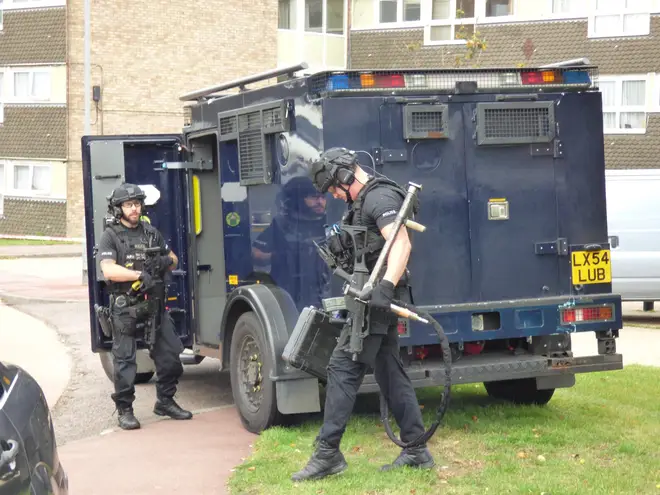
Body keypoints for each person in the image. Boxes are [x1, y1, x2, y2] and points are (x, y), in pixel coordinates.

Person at [292, 148, 435, 481]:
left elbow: (401, 244)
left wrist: (384, 287)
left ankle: (328, 454)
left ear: (344, 176)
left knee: (343, 367)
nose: (332, 194)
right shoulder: (363, 202)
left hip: (377, 298)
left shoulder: (379, 197)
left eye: (332, 187)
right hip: (369, 296)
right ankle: (416, 448)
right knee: (388, 371)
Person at [97, 183, 193, 430]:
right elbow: (108, 269)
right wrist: (138, 276)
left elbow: (173, 259)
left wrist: (163, 261)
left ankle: (165, 401)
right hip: (126, 306)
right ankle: (125, 410)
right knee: (125, 362)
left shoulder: (151, 232)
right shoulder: (111, 235)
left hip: (154, 306)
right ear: (118, 209)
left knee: (172, 356)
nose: (134, 209)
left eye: (137, 204)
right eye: (129, 205)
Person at [252, 176, 330, 311]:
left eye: (322, 197)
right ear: (298, 200)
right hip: (290, 292)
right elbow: (256, 253)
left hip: (323, 291)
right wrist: (282, 255)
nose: (320, 202)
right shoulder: (283, 225)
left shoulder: (329, 222)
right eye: (313, 197)